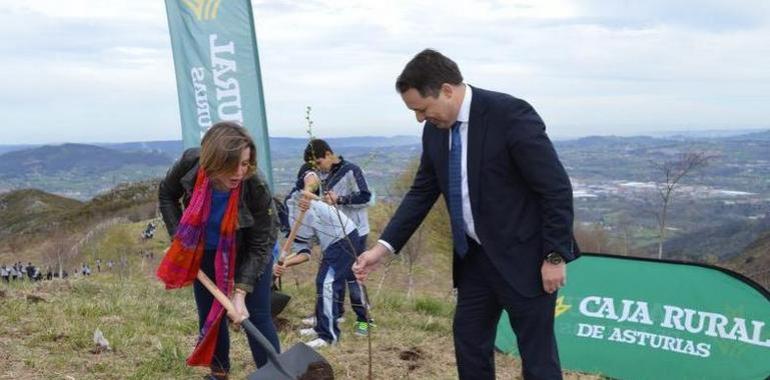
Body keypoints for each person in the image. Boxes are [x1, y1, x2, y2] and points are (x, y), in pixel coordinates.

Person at [353, 49, 580, 380]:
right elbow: (421, 193)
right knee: (469, 343)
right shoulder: (434, 130)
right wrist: (382, 248)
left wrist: (555, 255)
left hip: (526, 260)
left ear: (447, 90)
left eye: (422, 109)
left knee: (537, 357)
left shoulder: (510, 115)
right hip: (474, 260)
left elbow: (555, 188)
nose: (419, 119)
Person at [157, 121, 279, 380]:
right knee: (210, 316)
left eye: (245, 163)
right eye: (232, 164)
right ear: (214, 161)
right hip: (205, 252)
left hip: (250, 252)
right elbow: (166, 193)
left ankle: (274, 375)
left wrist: (240, 292)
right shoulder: (192, 163)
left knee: (256, 315)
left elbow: (262, 241)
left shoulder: (254, 186)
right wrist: (178, 236)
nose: (239, 172)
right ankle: (219, 372)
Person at [273, 171, 362, 349]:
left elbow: (311, 177)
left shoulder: (294, 197)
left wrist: (307, 194)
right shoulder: (289, 226)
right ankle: (321, 326)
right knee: (323, 282)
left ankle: (329, 336)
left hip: (343, 236)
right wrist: (284, 264)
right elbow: (304, 253)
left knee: (327, 284)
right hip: (331, 244)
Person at [296, 139, 373, 336]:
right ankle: (333, 314)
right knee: (332, 276)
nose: (318, 168)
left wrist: (339, 199)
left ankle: (365, 320)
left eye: (319, 162)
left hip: (355, 232)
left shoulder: (351, 170)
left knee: (353, 277)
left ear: (329, 154)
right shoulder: (322, 176)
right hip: (332, 234)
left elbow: (366, 196)